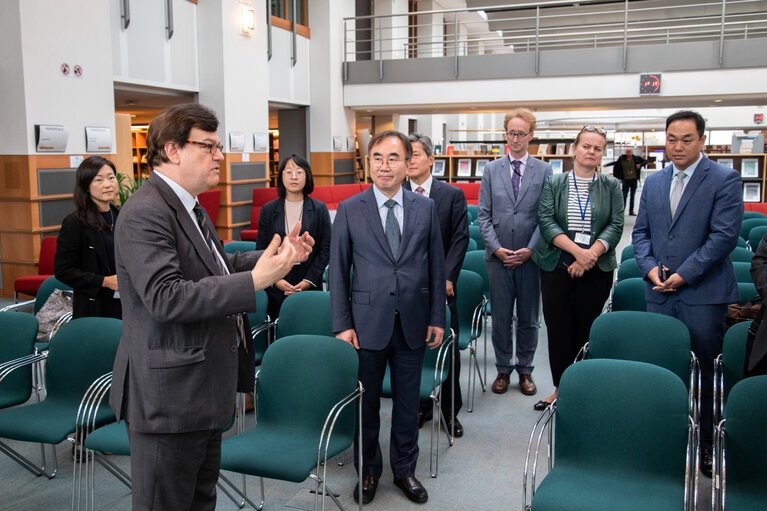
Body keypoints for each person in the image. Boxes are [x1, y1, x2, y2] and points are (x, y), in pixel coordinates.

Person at [109, 103, 313, 510]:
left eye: (218, 146)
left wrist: (276, 258)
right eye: (208, 146)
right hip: (169, 396)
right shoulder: (146, 212)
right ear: (173, 150)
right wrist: (256, 282)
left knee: (199, 500)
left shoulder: (189, 205)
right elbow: (167, 297)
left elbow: (218, 266)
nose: (220, 155)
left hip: (200, 388)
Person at [330, 130, 446, 505]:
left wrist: (437, 318)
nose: (385, 165)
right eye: (377, 157)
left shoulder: (425, 208)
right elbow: (338, 271)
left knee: (409, 403)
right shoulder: (350, 209)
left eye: (393, 158)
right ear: (369, 162)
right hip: (365, 324)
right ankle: (368, 470)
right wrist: (342, 324)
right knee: (365, 405)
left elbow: (436, 268)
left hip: (413, 320)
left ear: (408, 162)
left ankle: (404, 470)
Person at [632, 110, 742, 478]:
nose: (678, 146)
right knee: (663, 370)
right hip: (659, 292)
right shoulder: (654, 181)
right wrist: (648, 269)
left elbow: (723, 238)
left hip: (702, 294)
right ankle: (665, 440)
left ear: (702, 140)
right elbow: (641, 234)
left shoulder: (725, 179)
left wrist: (683, 275)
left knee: (705, 372)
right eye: (672, 139)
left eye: (687, 139)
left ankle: (708, 444)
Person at [533, 125, 623, 411]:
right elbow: (546, 220)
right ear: (574, 149)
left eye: (597, 148)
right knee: (558, 329)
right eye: (586, 146)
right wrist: (576, 253)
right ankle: (560, 389)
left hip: (596, 269)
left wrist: (591, 254)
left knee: (585, 330)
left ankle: (581, 390)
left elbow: (616, 224)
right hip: (556, 265)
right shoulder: (555, 182)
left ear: (602, 154)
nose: (591, 152)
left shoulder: (612, 186)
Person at [477, 108, 552, 397]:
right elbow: (483, 214)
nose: (516, 138)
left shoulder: (544, 170)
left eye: (521, 133)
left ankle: (525, 369)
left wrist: (530, 249)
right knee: (501, 316)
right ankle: (503, 369)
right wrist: (496, 249)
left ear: (531, 136)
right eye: (511, 133)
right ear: (505, 134)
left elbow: (546, 216)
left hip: (530, 258)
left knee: (529, 317)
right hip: (498, 259)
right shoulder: (491, 169)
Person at [405, 133, 469, 437]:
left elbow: (459, 239)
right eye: (406, 156)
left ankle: (448, 410)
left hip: (441, 288)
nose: (409, 161)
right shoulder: (395, 193)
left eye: (415, 154)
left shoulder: (451, 195)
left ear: (432, 159)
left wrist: (446, 278)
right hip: (407, 289)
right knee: (411, 349)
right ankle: (419, 406)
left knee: (447, 350)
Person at [256, 154, 331, 320]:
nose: (294, 177)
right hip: (276, 281)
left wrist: (308, 281)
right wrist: (276, 279)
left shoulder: (319, 209)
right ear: (281, 176)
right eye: (288, 172)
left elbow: (325, 250)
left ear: (307, 176)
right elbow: (261, 248)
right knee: (278, 326)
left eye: (299, 172)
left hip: (309, 280)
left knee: (309, 325)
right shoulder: (268, 210)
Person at [54, 156, 122, 319]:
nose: (107, 184)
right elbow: (63, 270)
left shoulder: (122, 216)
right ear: (86, 185)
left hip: (127, 302)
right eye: (98, 180)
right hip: (95, 306)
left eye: (111, 178)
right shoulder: (76, 223)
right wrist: (105, 281)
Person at [605, 147, 647, 216]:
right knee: (624, 195)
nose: (628, 153)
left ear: (632, 152)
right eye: (627, 152)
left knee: (632, 196)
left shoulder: (636, 159)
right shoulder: (622, 159)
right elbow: (616, 163)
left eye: (629, 152)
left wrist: (640, 165)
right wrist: (607, 165)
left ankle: (631, 211)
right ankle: (622, 210)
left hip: (634, 179)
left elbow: (645, 161)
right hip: (625, 180)